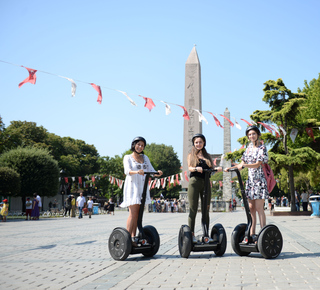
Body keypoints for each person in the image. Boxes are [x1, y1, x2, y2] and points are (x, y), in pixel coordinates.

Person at [225, 126, 269, 243]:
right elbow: (242, 162)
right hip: (250, 182)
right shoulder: (248, 148)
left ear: (258, 134)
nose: (251, 136)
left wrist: (243, 166)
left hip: (259, 181)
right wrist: (231, 167)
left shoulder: (262, 148)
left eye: (253, 134)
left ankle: (263, 233)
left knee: (259, 208)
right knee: (251, 208)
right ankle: (252, 233)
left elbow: (257, 164)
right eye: (249, 135)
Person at [120, 136, 163, 245]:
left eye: (142, 145)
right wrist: (137, 172)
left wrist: (157, 173)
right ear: (134, 145)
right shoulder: (128, 157)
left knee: (139, 214)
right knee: (133, 213)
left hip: (142, 188)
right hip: (132, 187)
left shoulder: (145, 158)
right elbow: (127, 171)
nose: (140, 147)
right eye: (138, 144)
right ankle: (128, 239)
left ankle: (134, 237)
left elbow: (151, 171)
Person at [187, 134, 222, 243]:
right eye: (196, 142)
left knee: (206, 209)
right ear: (194, 143)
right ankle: (191, 234)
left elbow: (212, 167)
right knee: (193, 209)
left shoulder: (208, 156)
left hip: (206, 182)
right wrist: (196, 168)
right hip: (194, 182)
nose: (198, 144)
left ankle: (206, 233)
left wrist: (217, 169)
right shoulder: (191, 155)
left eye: (200, 142)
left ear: (204, 143)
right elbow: (189, 168)